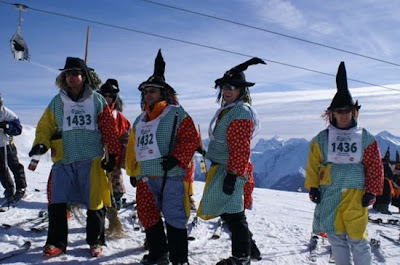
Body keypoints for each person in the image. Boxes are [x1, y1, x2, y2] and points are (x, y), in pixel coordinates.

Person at [28, 57, 121, 258]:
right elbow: (45, 126)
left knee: (94, 203)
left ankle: (95, 241)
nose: (71, 77)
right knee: (57, 202)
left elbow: (107, 128)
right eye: (68, 74)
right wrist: (41, 143)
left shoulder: (96, 100)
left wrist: (112, 154)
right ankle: (56, 243)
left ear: (83, 76)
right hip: (64, 158)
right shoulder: (57, 101)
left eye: (75, 73)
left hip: (91, 158)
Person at [304, 61, 384, 265]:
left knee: (358, 238)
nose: (344, 115)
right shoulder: (322, 138)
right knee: (337, 238)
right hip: (330, 193)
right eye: (339, 111)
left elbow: (374, 164)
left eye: (347, 110)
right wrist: (314, 186)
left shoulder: (365, 137)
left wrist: (372, 190)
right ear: (332, 113)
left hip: (356, 194)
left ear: (354, 111)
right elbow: (314, 163)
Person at [125, 49, 199, 265]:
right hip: (146, 177)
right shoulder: (140, 120)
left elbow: (190, 139)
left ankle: (179, 259)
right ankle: (158, 254)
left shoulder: (177, 114)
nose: (148, 94)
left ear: (163, 94)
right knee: (148, 217)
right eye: (146, 91)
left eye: (153, 91)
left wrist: (177, 158)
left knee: (175, 218)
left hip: (171, 175)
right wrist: (133, 171)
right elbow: (134, 148)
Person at [197, 57, 265, 265]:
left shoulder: (239, 112)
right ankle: (250, 249)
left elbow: (240, 148)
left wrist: (233, 175)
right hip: (224, 168)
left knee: (234, 215)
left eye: (233, 87)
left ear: (242, 91)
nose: (228, 91)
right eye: (225, 86)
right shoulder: (229, 110)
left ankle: (241, 257)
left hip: (231, 170)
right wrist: (205, 152)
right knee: (229, 213)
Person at [98, 78, 131, 210]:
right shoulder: (94, 113)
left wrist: (118, 157)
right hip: (94, 155)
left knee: (115, 185)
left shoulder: (120, 118)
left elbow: (126, 139)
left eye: (110, 96)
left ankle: (114, 207)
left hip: (113, 157)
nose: (107, 98)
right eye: (104, 95)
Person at [0, 94, 27, 203]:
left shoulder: (7, 113)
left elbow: (18, 129)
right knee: (1, 169)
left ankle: (21, 188)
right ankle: (9, 189)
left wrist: (7, 127)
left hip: (7, 144)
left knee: (14, 166)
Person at [373, 147, 393, 214]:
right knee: (385, 195)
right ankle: (383, 208)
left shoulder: (378, 166)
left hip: (379, 182)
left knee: (379, 194)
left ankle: (377, 206)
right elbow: (391, 175)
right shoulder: (387, 167)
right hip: (385, 183)